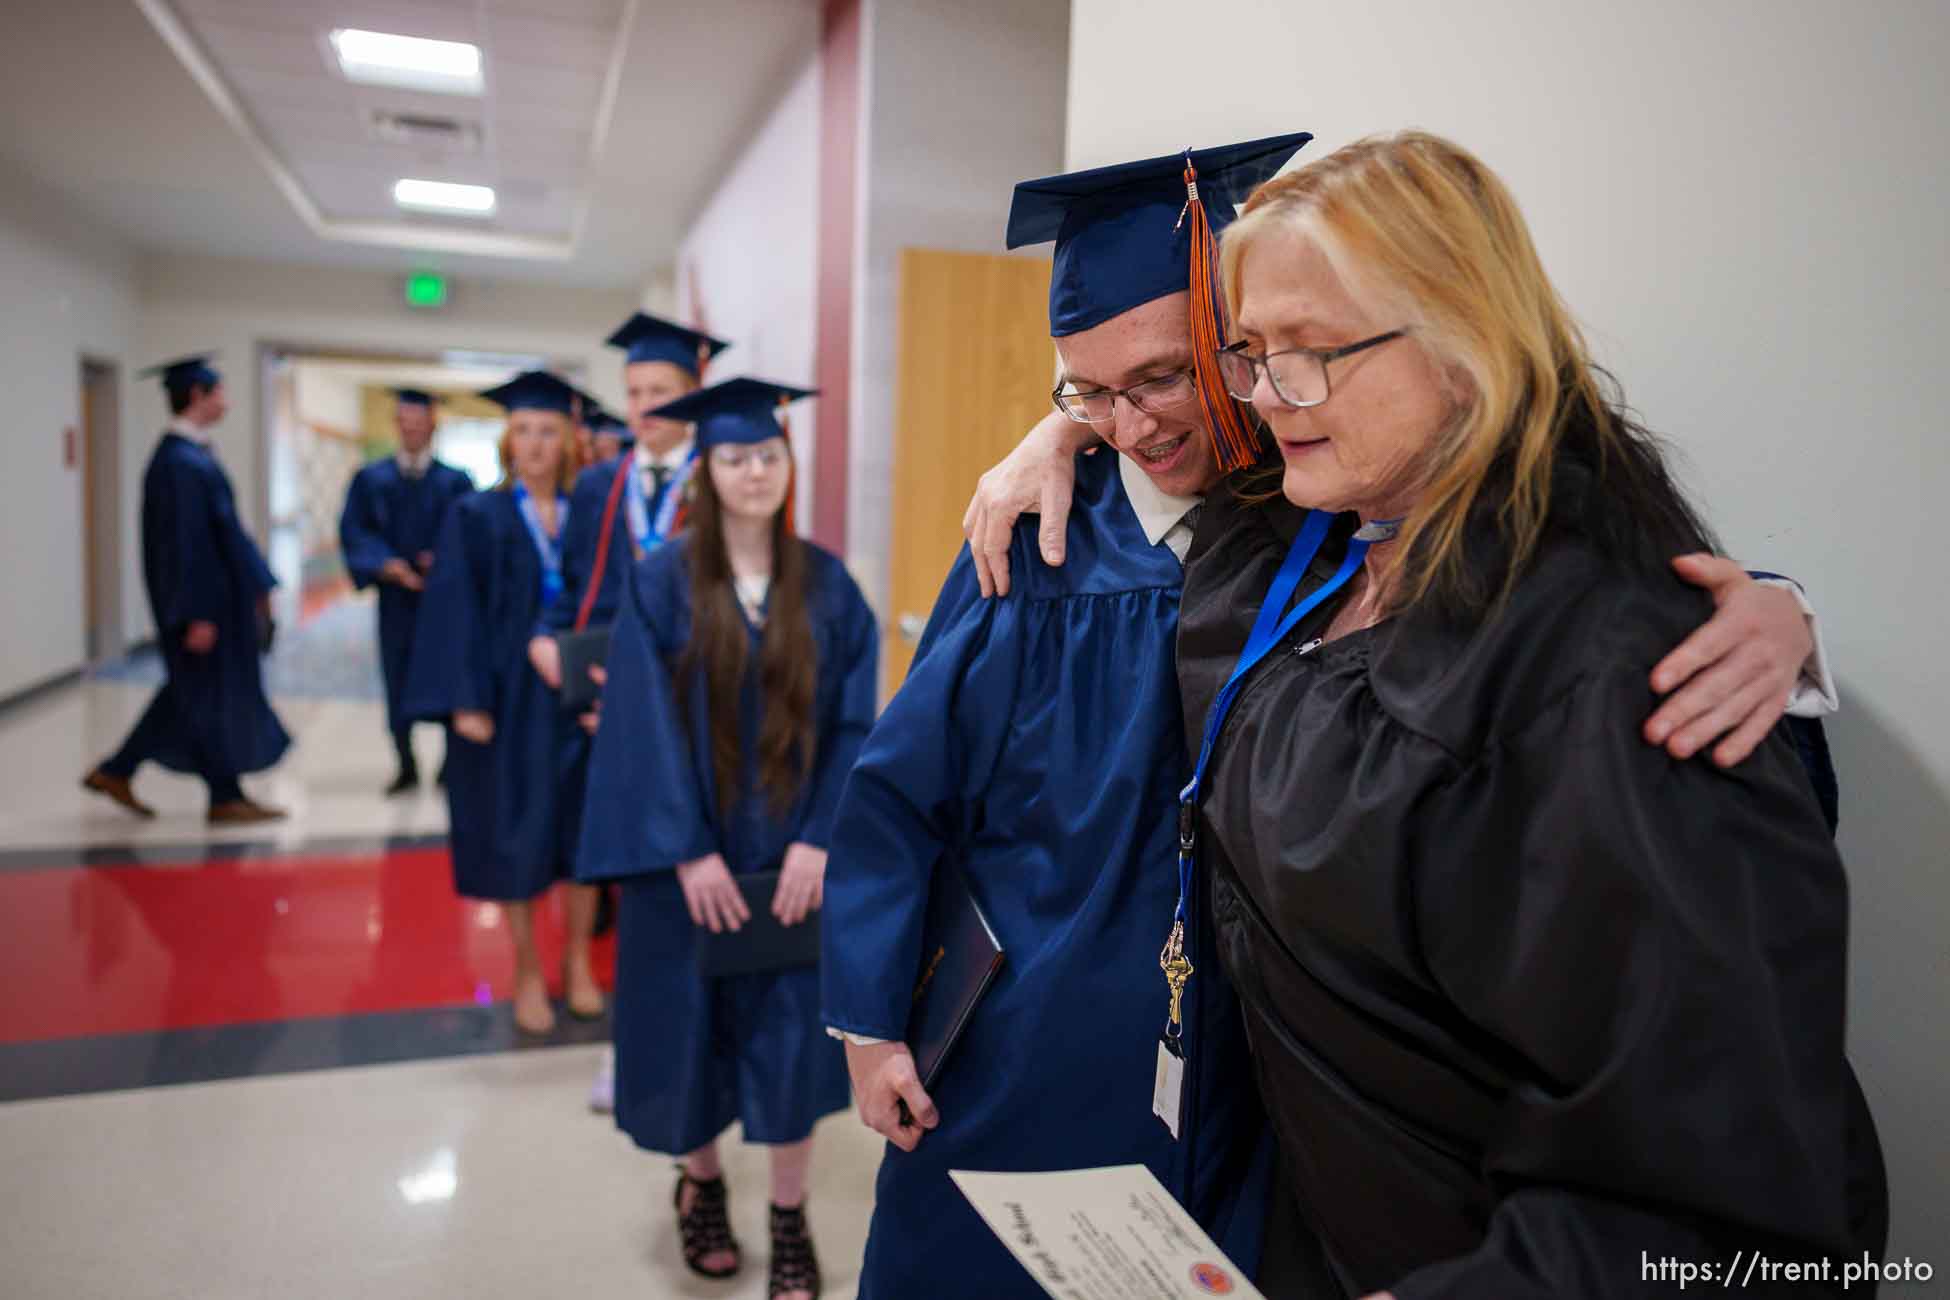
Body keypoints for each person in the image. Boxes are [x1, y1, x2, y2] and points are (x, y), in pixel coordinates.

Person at [824, 135, 1838, 1298]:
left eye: (1173, 373)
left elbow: (1568, 560)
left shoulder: (1324, 532)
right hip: (1049, 1037)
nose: (1143, 421)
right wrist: (1060, 433)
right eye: (1090, 391)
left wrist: (1778, 610)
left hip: (1268, 1085)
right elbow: (898, 790)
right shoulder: (1061, 541)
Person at [1181, 130, 1886, 1297]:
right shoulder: (1312, 550)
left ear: (1466, 344)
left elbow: (1730, 1205)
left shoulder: (1606, 669)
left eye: (1309, 353)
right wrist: (1062, 433)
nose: (1264, 399)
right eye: (1253, 353)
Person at [576, 378, 871, 1300]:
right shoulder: (662, 579)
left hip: (791, 867)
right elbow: (638, 723)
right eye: (736, 458)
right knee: (688, 1036)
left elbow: (860, 726)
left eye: (769, 456)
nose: (754, 473)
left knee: (789, 1040)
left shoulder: (827, 584)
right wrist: (686, 849)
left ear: (789, 465)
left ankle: (788, 1216)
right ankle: (700, 1188)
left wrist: (822, 841)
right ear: (707, 469)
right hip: (688, 869)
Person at [401, 371, 605, 1036]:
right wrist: (465, 701)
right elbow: (451, 609)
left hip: (577, 697)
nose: (537, 444)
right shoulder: (477, 515)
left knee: (583, 836)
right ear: (507, 439)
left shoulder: (590, 513)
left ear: (569, 441)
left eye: (549, 431)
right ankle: (524, 968)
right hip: (507, 700)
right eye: (524, 431)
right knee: (516, 834)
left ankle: (576, 958)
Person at [82, 353, 289, 824]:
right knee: (200, 695)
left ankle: (162, 779)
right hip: (204, 607)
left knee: (196, 694)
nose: (227, 402)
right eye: (220, 392)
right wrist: (196, 613)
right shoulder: (178, 464)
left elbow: (225, 531)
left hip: (219, 603)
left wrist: (258, 585)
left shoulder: (193, 457)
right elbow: (186, 546)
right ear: (196, 394)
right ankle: (215, 792)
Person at [530, 312, 731, 696]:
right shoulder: (595, 483)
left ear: (692, 396)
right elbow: (573, 580)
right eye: (634, 393)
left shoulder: (718, 477)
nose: (644, 406)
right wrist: (542, 637)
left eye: (659, 392)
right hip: (600, 671)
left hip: (691, 678)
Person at [337, 388, 474, 794]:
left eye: (420, 421)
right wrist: (386, 565)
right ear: (397, 425)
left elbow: (469, 533)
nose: (412, 428)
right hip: (395, 598)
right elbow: (354, 531)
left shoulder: (456, 481)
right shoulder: (370, 479)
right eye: (405, 421)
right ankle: (405, 762)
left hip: (443, 600)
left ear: (433, 424)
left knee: (449, 674)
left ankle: (451, 764)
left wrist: (444, 561)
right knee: (397, 678)